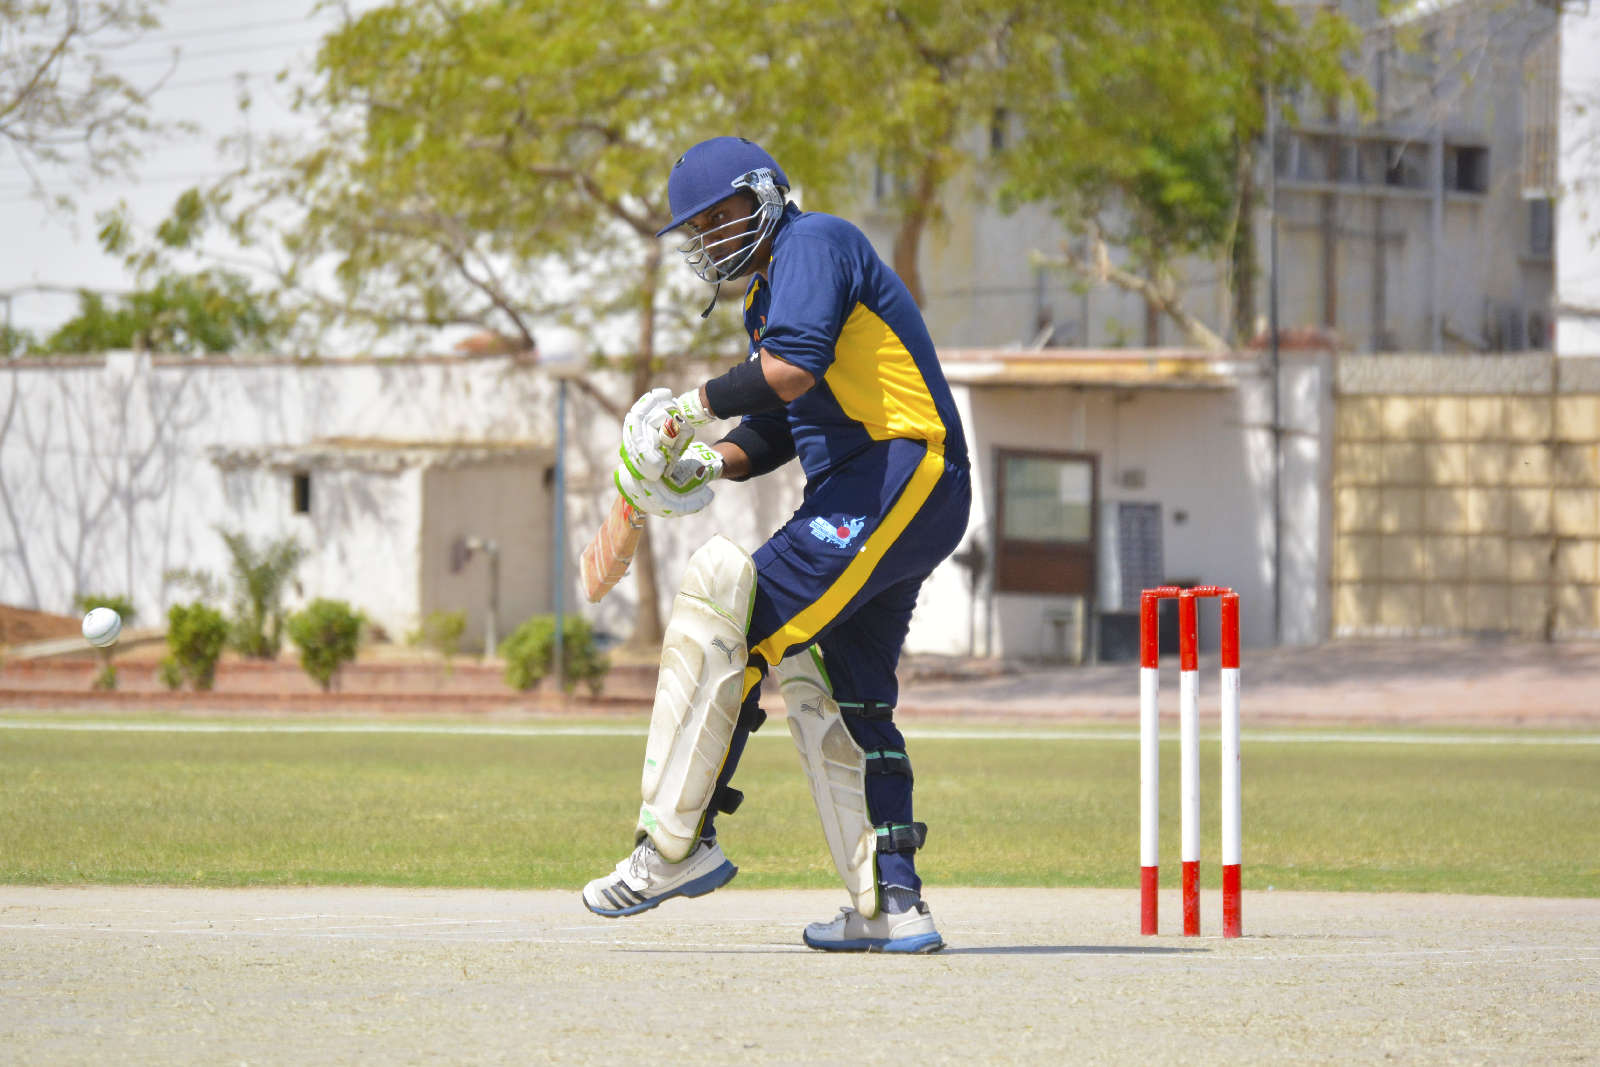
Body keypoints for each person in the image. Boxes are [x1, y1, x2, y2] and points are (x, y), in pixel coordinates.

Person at [581, 136, 970, 953]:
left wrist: (687, 406)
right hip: (872, 489)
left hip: (900, 467)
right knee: (846, 689)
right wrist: (707, 460)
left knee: (731, 626)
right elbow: (783, 420)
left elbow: (789, 370)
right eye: (698, 228)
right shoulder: (768, 296)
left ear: (764, 192)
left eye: (720, 214)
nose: (710, 235)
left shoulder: (814, 242)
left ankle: (676, 847)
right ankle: (893, 902)